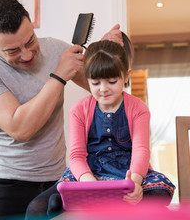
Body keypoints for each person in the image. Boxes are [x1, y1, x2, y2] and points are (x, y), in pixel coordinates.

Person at [0, 0, 123, 220]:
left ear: (31, 24)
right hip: (6, 188)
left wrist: (106, 53)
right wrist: (59, 75)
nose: (27, 54)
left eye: (30, 41)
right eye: (12, 51)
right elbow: (20, 128)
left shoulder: (57, 48)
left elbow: (103, 87)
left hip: (56, 185)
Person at [25, 40, 175, 219]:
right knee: (36, 208)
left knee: (160, 194)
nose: (103, 89)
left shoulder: (139, 108)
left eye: (112, 81)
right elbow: (76, 156)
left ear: (126, 76)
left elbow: (141, 150)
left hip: (127, 172)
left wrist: (134, 183)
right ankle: (75, 200)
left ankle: (75, 202)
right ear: (88, 79)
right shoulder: (79, 110)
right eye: (95, 83)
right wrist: (90, 186)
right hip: (89, 173)